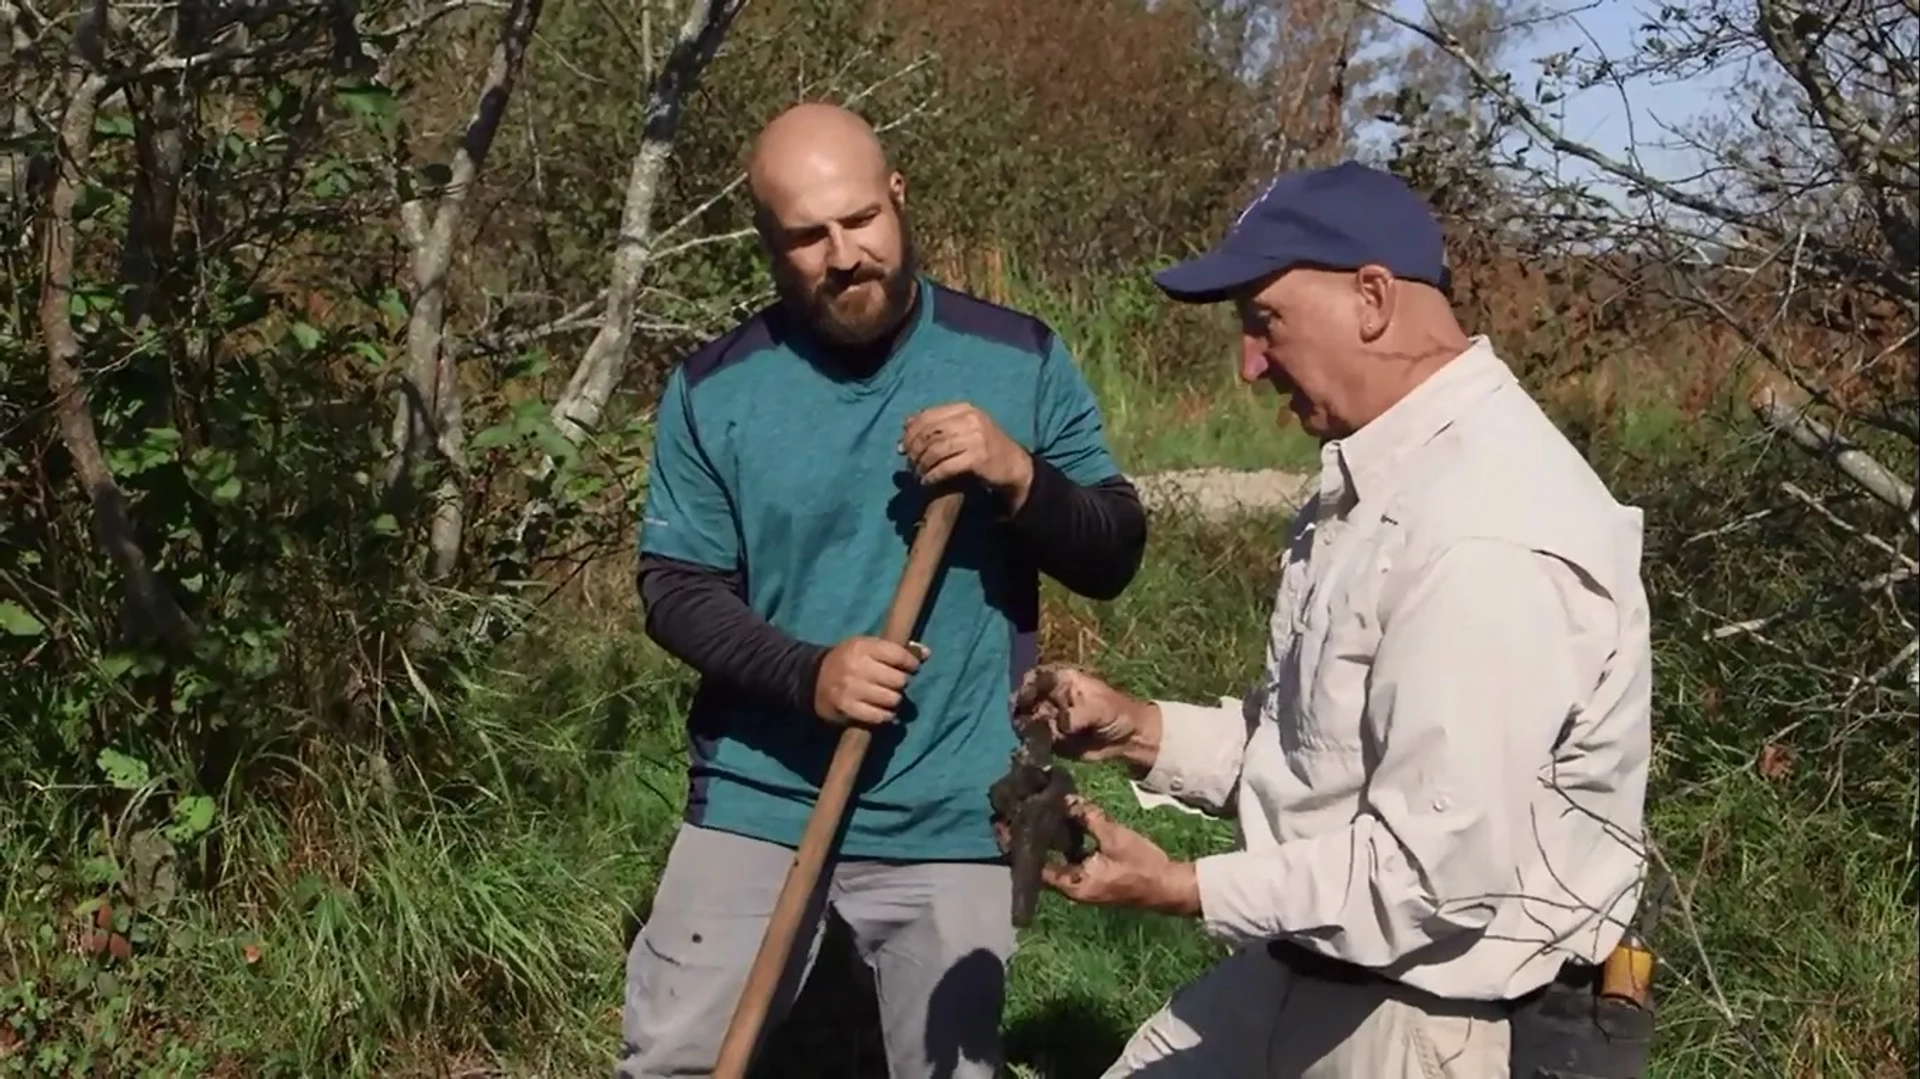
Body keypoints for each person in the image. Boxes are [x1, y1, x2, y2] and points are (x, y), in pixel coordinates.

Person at [1013, 161, 1654, 1078]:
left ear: (1372, 297)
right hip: (1317, 956)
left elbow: (1431, 875)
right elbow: (1323, 761)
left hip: (1445, 1019)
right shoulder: (1381, 478)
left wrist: (1180, 886)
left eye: (1263, 320)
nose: (1248, 363)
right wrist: (1139, 732)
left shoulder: (1486, 529)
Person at [619, 102, 1149, 1078]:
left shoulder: (1017, 356)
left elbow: (1113, 550)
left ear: (898, 198)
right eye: (806, 236)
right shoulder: (716, 387)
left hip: (948, 806)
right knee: (676, 1058)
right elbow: (675, 585)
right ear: (769, 243)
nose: (843, 254)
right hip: (758, 798)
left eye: (860, 220)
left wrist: (1018, 474)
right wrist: (806, 671)